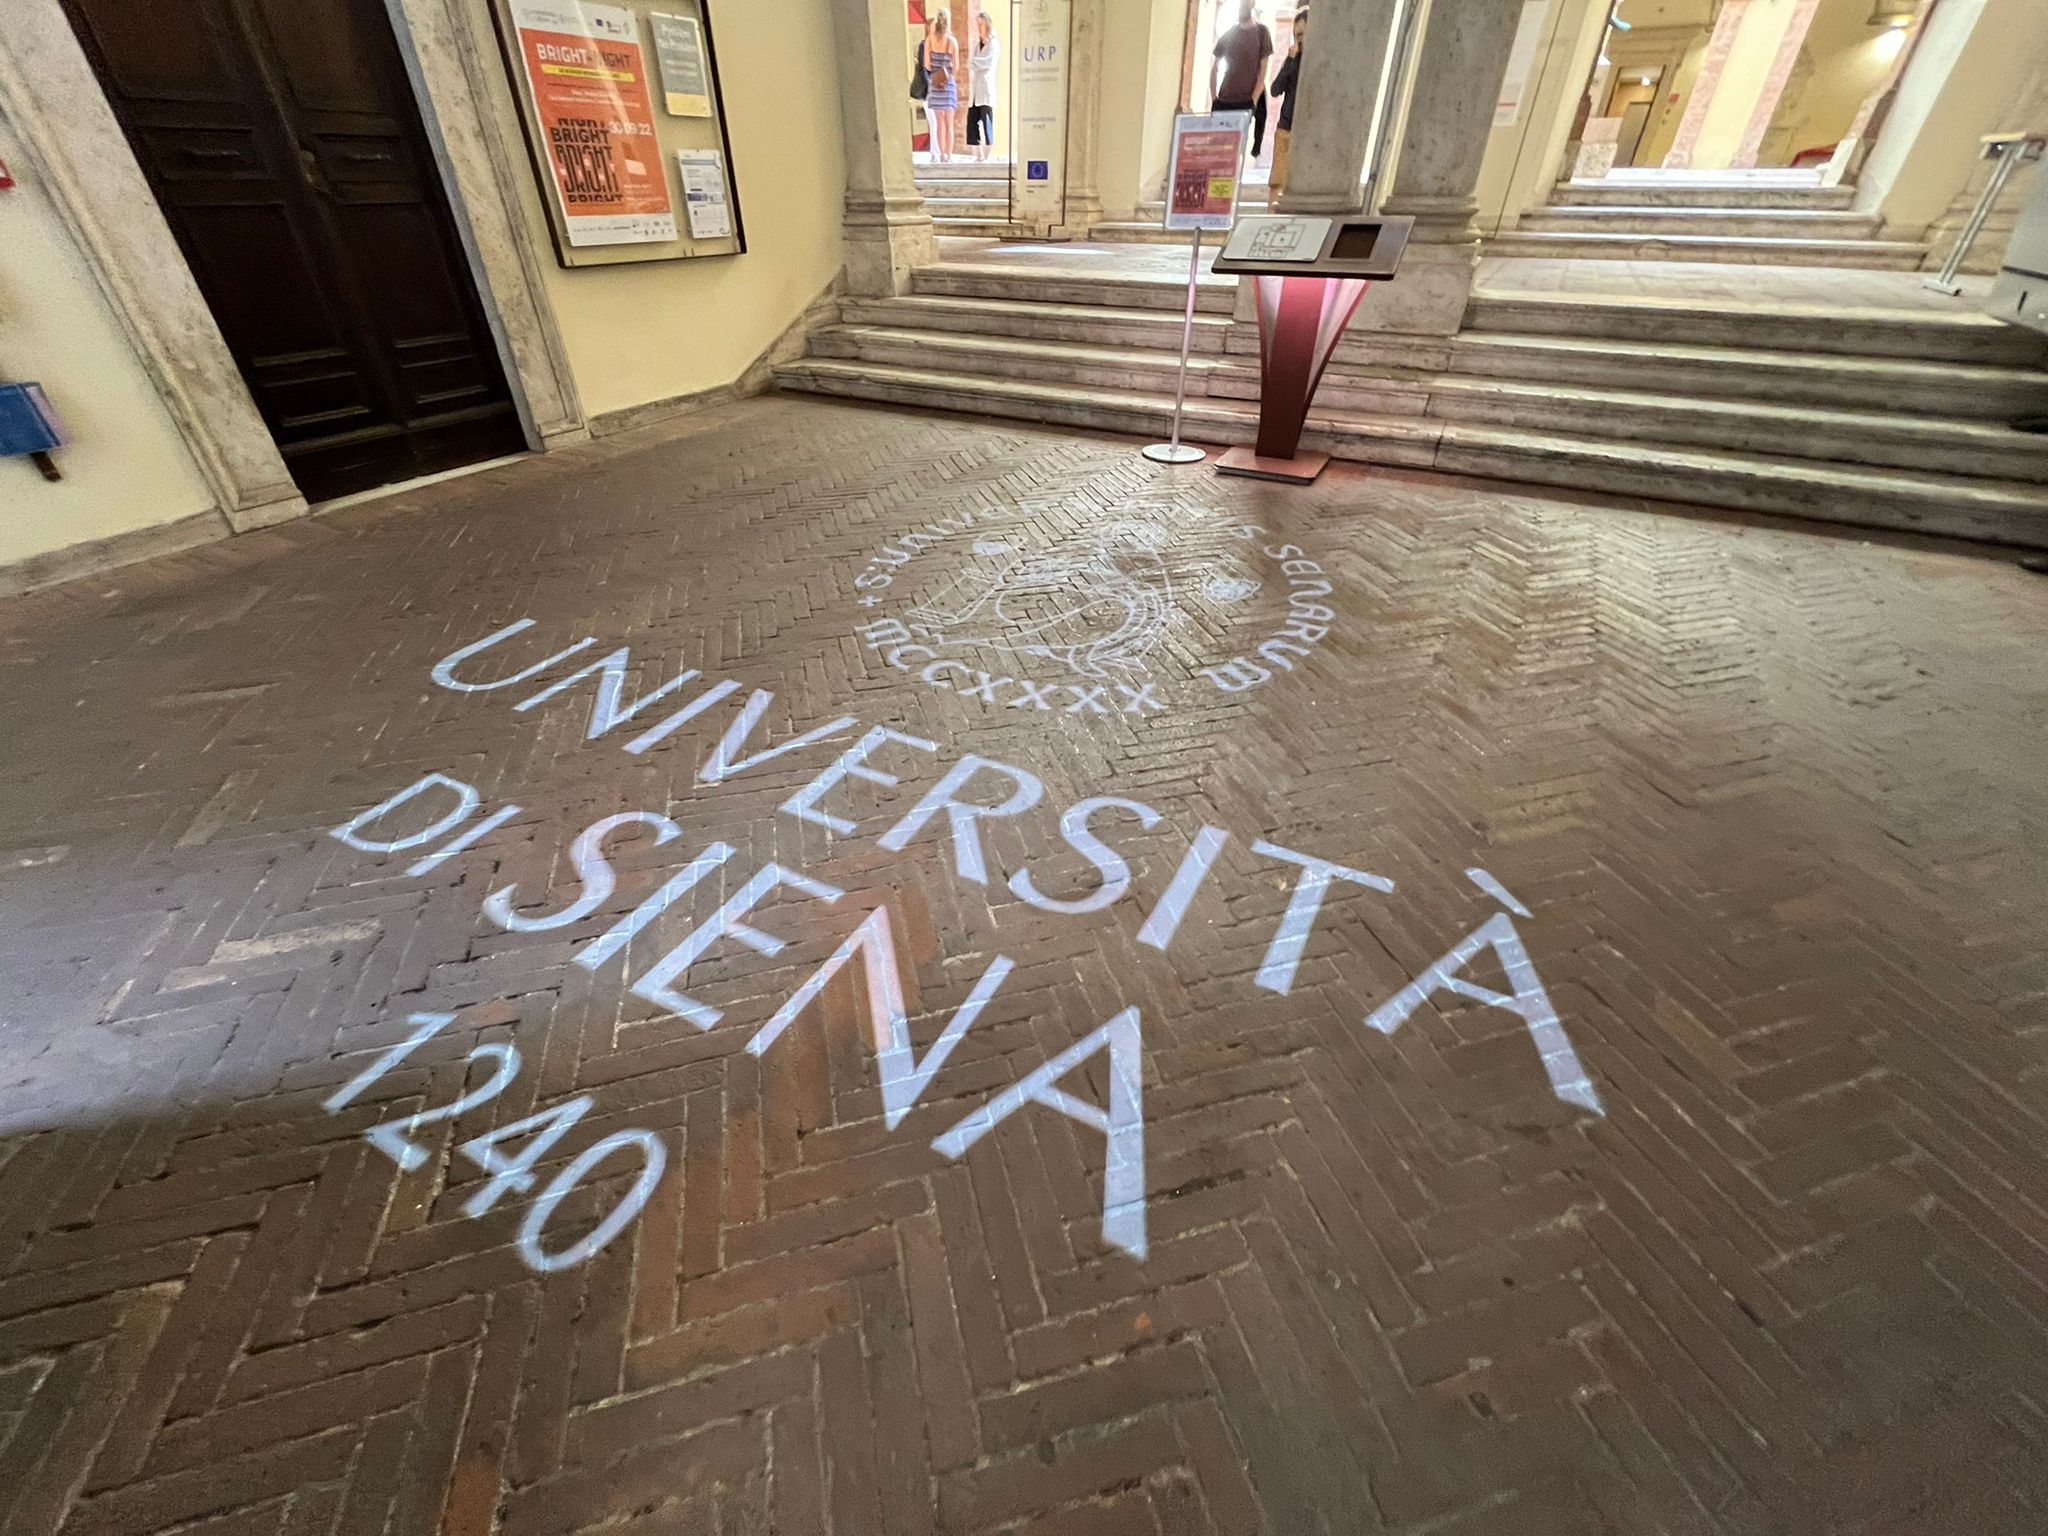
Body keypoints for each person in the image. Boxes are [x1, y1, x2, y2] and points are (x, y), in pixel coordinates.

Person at [1211, 1, 1273, 158]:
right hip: (1225, 100)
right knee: (1218, 150)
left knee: (1236, 151)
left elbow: (1263, 70)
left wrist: (1253, 101)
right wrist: (1214, 98)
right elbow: (1215, 66)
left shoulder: (1261, 33)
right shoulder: (1230, 34)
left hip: (1245, 102)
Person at [1269, 8, 1305, 195]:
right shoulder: (1292, 59)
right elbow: (1275, 89)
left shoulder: (1317, 62)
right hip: (1286, 125)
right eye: (1296, 34)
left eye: (1302, 34)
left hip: (1306, 130)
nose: (1299, 39)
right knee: (1277, 180)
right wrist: (1291, 60)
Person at [923, 12, 961, 164]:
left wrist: (936, 71)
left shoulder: (929, 40)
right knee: (949, 122)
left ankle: (942, 156)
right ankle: (949, 155)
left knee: (939, 122)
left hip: (935, 83)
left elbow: (926, 64)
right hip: (949, 82)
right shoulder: (951, 42)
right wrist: (947, 73)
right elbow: (956, 66)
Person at [967, 10, 1000, 163]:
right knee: (973, 122)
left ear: (986, 25)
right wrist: (974, 63)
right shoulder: (977, 45)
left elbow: (988, 62)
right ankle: (978, 154)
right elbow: (971, 62)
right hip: (975, 90)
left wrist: (974, 63)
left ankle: (986, 155)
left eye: (980, 24)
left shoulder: (993, 43)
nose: (978, 27)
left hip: (986, 88)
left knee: (987, 123)